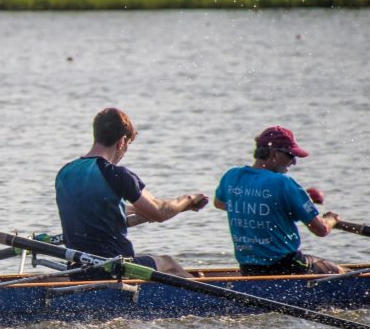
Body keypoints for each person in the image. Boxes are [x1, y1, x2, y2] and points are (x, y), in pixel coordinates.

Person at [55, 108, 209, 280]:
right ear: (121, 142)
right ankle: (214, 302)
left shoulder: (65, 172)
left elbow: (103, 214)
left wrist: (180, 209)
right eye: (128, 145)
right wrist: (188, 200)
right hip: (116, 269)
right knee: (168, 263)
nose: (125, 152)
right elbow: (159, 211)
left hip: (78, 270)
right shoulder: (116, 174)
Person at [214, 126, 347, 276]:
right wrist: (331, 219)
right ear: (274, 154)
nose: (294, 162)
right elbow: (321, 230)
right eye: (291, 155)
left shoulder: (232, 176)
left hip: (248, 269)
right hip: (286, 265)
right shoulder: (283, 183)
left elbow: (220, 203)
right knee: (339, 272)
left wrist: (263, 210)